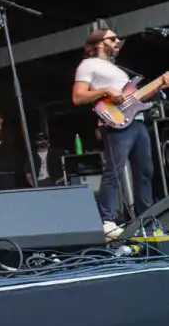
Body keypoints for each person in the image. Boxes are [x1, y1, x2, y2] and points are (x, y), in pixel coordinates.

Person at [72, 28, 168, 222]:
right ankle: (106, 219)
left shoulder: (119, 69)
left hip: (137, 121)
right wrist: (106, 90)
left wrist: (160, 84)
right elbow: (78, 97)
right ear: (100, 43)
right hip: (115, 122)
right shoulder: (88, 65)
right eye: (113, 39)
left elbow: (133, 98)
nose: (117, 42)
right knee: (114, 171)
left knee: (145, 170)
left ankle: (146, 219)